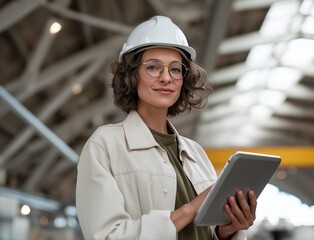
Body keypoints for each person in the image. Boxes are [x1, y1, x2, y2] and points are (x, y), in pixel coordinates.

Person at [76, 15, 257, 240]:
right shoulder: (105, 145)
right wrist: (189, 210)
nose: (166, 78)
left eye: (175, 69)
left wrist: (227, 231)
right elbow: (106, 237)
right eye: (153, 67)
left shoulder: (196, 153)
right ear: (132, 76)